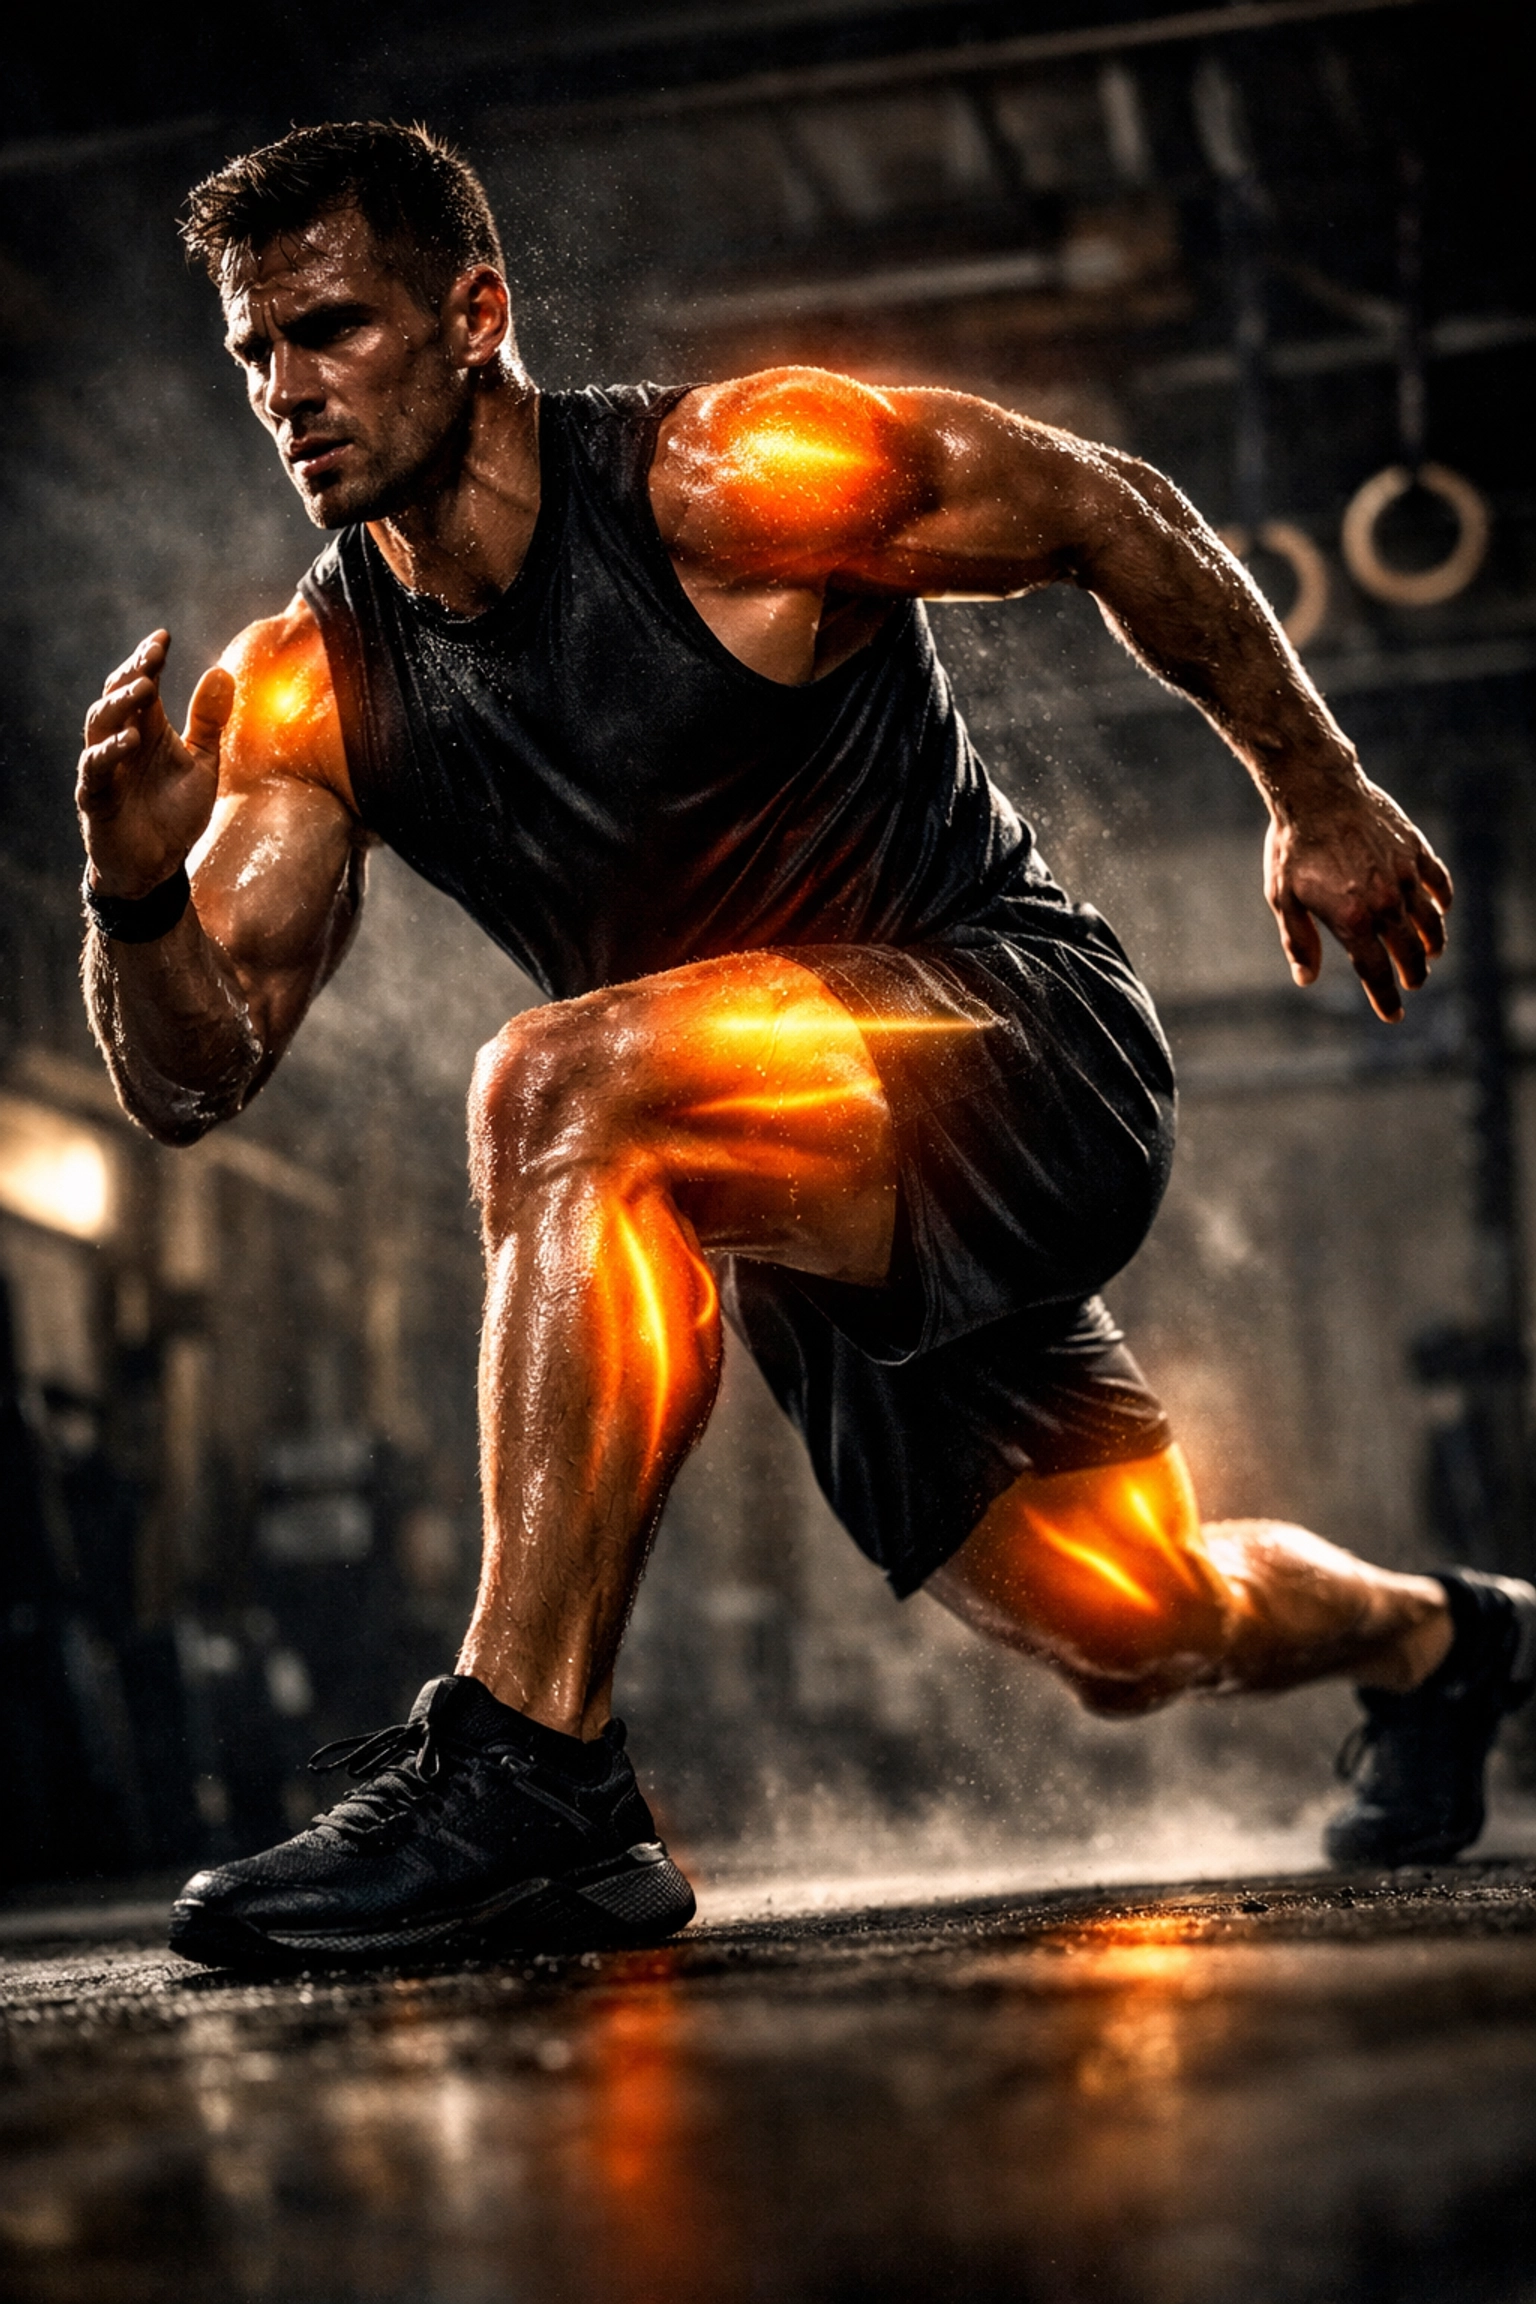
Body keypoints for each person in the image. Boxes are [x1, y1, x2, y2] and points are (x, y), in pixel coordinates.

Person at [77, 122, 1533, 1973]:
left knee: (554, 1080)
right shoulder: (313, 687)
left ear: (474, 313)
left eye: (334, 329)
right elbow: (199, 1075)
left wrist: (1317, 792)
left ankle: (535, 1771)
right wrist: (131, 899)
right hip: (780, 1180)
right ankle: (1442, 1640)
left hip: (1014, 1043)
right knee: (1126, 1624)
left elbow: (1100, 503)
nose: (288, 388)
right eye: (254, 353)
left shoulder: (722, 480)